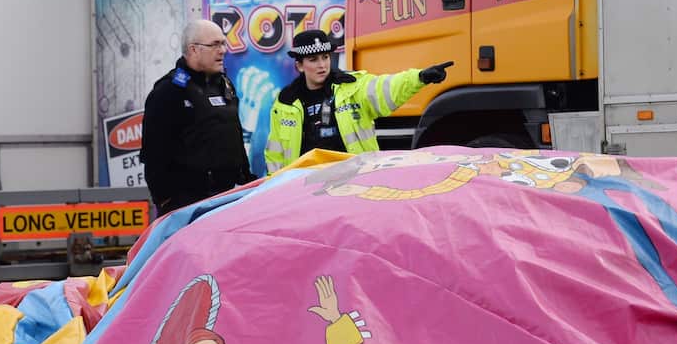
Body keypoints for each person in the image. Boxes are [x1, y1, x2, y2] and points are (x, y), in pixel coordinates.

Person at [263, 29, 453, 172]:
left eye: (325, 57)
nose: (322, 65)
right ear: (300, 66)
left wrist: (419, 78)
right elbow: (275, 153)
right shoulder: (285, 103)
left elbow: (387, 87)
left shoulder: (353, 87)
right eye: (313, 59)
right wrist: (275, 188)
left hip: (354, 181)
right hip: (305, 186)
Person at [140, 21, 255, 213]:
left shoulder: (224, 84)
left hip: (228, 199)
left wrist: (245, 178)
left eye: (224, 44)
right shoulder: (169, 90)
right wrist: (166, 202)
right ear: (193, 49)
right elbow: (153, 154)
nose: (223, 50)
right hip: (187, 206)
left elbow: (234, 136)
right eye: (215, 44)